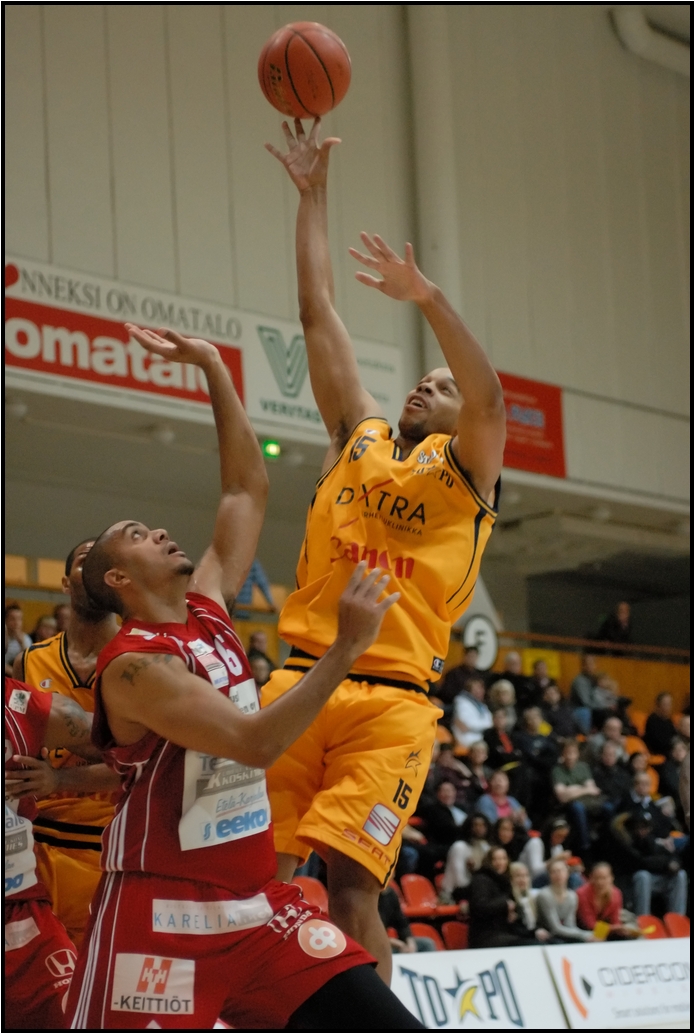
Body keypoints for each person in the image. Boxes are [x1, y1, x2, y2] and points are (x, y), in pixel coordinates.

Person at [68, 325, 423, 1030]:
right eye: (137, 535)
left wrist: (212, 367)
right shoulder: (136, 667)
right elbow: (254, 742)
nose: (158, 531)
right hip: (160, 914)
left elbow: (244, 489)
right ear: (119, 580)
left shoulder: (207, 604)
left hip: (259, 909)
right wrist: (344, 650)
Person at [262, 117, 506, 976]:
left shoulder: (467, 471)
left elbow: (487, 398)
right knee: (259, 878)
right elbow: (317, 313)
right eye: (421, 379)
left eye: (440, 386)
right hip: (298, 679)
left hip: (392, 700)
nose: (424, 386)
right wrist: (312, 195)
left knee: (353, 891)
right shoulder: (355, 437)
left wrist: (427, 300)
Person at [13, 538, 121, 947]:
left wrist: (58, 781)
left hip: (108, 850)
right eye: (85, 561)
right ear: (64, 583)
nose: (95, 570)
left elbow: (145, 762)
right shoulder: (30, 660)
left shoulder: (141, 661)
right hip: (37, 849)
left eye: (106, 563)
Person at [4, 677, 113, 1032]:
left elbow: (144, 755)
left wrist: (60, 780)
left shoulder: (23, 706)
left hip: (20, 907)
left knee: (81, 1015)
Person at [612, 813, 687, 917]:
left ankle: (678, 919)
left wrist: (674, 863)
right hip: (631, 883)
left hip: (655, 881)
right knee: (643, 875)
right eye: (639, 827)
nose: (643, 831)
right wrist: (666, 864)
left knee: (680, 875)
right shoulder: (625, 842)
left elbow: (671, 857)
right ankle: (643, 918)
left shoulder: (650, 840)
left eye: (645, 827)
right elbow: (640, 862)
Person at [552, 739, 608, 858]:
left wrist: (572, 789)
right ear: (563, 754)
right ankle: (585, 846)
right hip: (571, 804)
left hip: (589, 801)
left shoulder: (583, 767)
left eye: (573, 753)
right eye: (567, 753)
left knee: (609, 807)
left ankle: (607, 842)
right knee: (578, 808)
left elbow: (593, 789)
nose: (570, 756)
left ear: (578, 754)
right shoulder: (557, 770)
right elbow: (562, 797)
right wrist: (584, 789)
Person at [468, 848, 530, 949]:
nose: (500, 862)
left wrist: (514, 914)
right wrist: (505, 904)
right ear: (489, 861)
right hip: (486, 935)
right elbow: (480, 906)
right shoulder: (481, 880)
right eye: (496, 859)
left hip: (505, 931)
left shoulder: (505, 881)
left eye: (503, 859)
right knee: (529, 945)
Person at [512, 706, 559, 825]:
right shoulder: (519, 737)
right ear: (526, 721)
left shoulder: (546, 738)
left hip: (544, 776)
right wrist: (539, 757)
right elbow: (527, 756)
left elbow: (552, 758)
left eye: (537, 717)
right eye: (531, 718)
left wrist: (537, 757)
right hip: (527, 778)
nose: (534, 721)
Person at [536, 859, 594, 942]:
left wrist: (587, 936)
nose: (558, 874)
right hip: (548, 934)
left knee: (582, 942)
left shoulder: (572, 896)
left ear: (567, 873)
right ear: (549, 875)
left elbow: (570, 924)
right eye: (554, 871)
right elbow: (555, 928)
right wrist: (584, 935)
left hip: (564, 933)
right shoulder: (545, 895)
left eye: (561, 870)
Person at [441, 814, 491, 898]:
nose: (479, 828)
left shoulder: (485, 847)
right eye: (476, 825)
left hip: (476, 892)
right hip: (454, 893)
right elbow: (459, 880)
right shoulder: (459, 847)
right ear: (469, 827)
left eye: (483, 825)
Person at [576, 863, 630, 939]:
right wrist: (615, 928)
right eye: (596, 878)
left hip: (606, 929)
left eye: (604, 878)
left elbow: (615, 921)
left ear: (611, 878)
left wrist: (619, 929)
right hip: (585, 931)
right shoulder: (581, 894)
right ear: (590, 878)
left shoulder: (616, 893)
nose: (600, 882)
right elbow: (590, 925)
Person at [378, 885, 435, 953]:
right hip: (375, 945)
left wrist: (410, 941)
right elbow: (372, 937)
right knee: (385, 950)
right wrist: (398, 944)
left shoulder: (390, 893)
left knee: (426, 944)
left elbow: (401, 923)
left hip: (389, 943)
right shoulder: (370, 897)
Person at [509, 862, 550, 943]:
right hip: (520, 938)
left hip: (533, 935)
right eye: (518, 876)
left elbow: (537, 922)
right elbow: (515, 928)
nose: (523, 879)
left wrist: (539, 930)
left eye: (525, 876)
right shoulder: (510, 900)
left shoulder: (531, 898)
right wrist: (534, 933)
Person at [453, 676, 493, 749]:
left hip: (480, 739)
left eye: (480, 688)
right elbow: (468, 724)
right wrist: (486, 726)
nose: (479, 691)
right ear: (469, 690)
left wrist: (485, 726)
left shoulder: (482, 705)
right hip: (467, 740)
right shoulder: (462, 702)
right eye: (476, 689)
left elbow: (490, 723)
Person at [592, 740, 632, 813]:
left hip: (620, 801)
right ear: (601, 755)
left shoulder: (623, 772)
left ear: (616, 756)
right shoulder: (595, 771)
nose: (608, 757)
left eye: (611, 755)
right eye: (606, 755)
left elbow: (627, 790)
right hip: (602, 801)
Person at [569, 653, 600, 734]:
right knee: (585, 712)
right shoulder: (579, 681)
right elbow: (586, 702)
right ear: (583, 666)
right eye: (588, 664)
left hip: (593, 707)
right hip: (578, 709)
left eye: (592, 664)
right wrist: (601, 706)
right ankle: (586, 736)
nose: (591, 666)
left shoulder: (595, 679)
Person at [644, 692, 678, 757]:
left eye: (669, 704)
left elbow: (674, 735)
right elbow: (657, 743)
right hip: (658, 753)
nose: (668, 707)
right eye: (665, 704)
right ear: (658, 706)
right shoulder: (652, 721)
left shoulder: (669, 721)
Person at [4, 604, 32, 676]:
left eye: (19, 619)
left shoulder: (26, 639)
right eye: (12, 619)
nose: (16, 622)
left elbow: (27, 662)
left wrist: (21, 643)